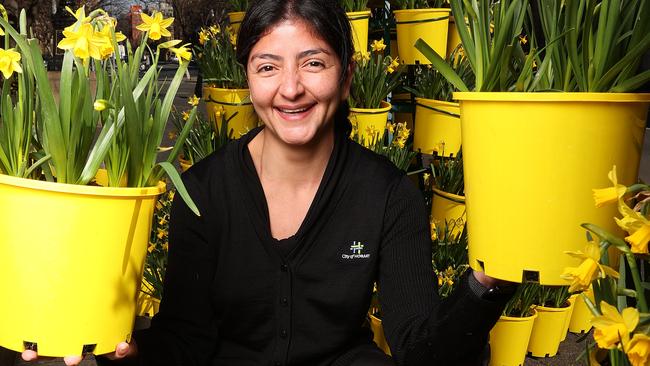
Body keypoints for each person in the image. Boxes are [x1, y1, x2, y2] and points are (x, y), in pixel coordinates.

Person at [23, 1, 512, 365]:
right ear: (248, 80)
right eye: (267, 67)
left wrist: (485, 285)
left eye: (313, 62)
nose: (291, 87)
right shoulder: (204, 191)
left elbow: (420, 349)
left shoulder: (387, 194)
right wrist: (111, 344)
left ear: (346, 79)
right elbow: (184, 340)